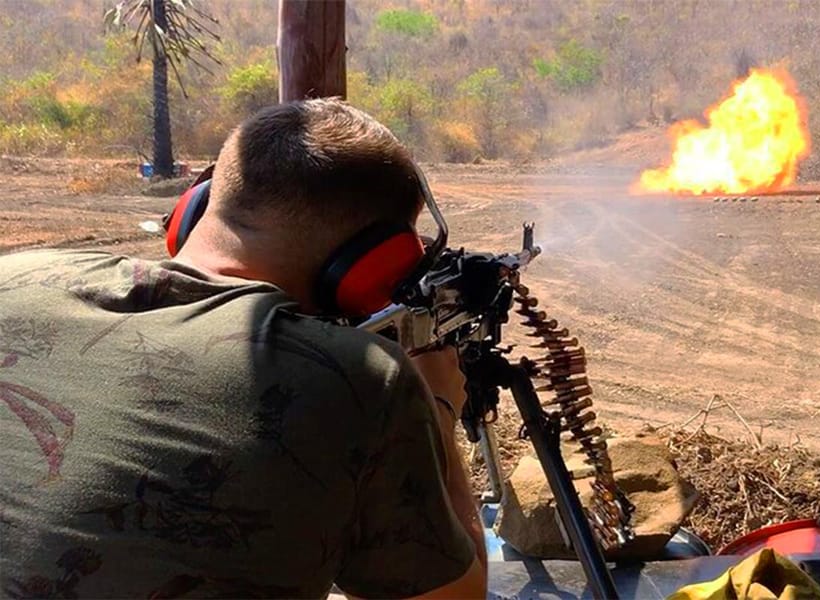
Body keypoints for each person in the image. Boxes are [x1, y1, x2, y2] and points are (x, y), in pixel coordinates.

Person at [0, 99, 486, 599]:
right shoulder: (357, 379)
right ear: (373, 268)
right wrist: (439, 407)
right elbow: (455, 596)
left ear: (196, 205)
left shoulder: (15, 277)